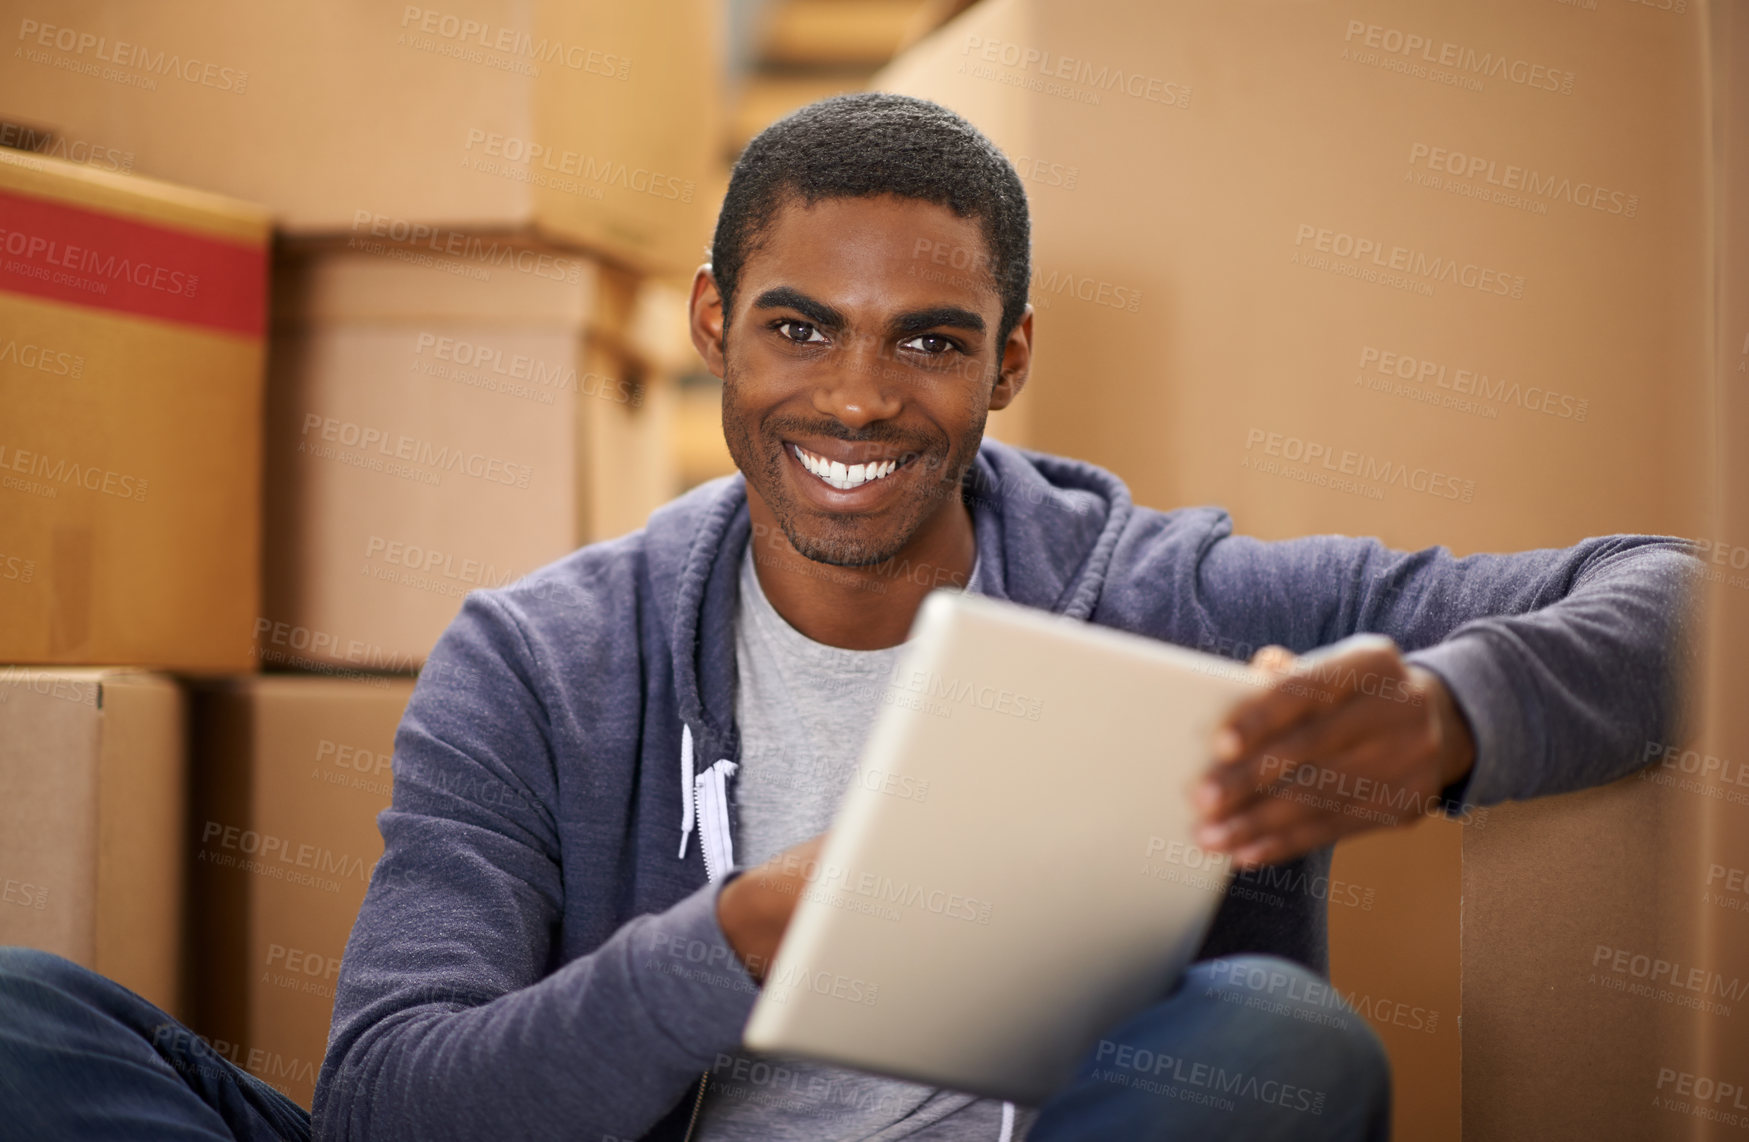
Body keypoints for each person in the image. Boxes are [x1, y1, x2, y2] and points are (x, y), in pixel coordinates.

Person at [0, 93, 1699, 1142]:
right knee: (22, 1015)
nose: (861, 398)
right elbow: (391, 1102)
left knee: (1276, 1039)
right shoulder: (539, 658)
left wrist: (1452, 711)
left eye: (932, 340)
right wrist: (734, 940)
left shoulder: (1170, 597)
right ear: (710, 325)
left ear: (1009, 357)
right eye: (802, 329)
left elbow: (1676, 599)